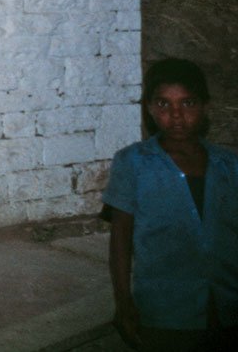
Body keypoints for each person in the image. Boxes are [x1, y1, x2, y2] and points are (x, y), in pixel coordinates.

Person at [102, 58, 237, 351]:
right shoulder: (132, 162)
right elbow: (121, 240)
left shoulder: (229, 165)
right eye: (163, 105)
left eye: (187, 103)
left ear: (205, 106)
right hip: (165, 314)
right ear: (149, 109)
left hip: (228, 306)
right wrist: (123, 303)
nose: (176, 116)